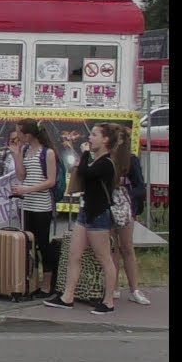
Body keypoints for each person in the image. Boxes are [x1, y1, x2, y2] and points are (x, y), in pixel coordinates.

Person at [45, 124, 123, 314]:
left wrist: (86, 153)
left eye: (94, 135)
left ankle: (108, 301)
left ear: (105, 139)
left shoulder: (106, 163)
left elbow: (86, 173)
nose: (90, 138)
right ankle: (67, 296)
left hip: (98, 215)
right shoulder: (96, 161)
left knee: (104, 258)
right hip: (85, 212)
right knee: (74, 254)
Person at [12, 119, 60, 298]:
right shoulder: (25, 150)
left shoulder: (47, 153)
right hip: (27, 204)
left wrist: (27, 189)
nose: (17, 136)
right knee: (28, 244)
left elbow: (50, 181)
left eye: (19, 132)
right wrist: (17, 155)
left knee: (43, 243)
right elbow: (21, 175)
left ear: (28, 134)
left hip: (41, 205)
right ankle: (31, 282)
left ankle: (47, 284)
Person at [112, 128, 151, 305]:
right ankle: (112, 286)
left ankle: (134, 289)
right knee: (112, 248)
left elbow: (140, 187)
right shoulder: (104, 158)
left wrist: (126, 194)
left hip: (125, 209)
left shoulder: (131, 159)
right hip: (107, 207)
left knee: (126, 247)